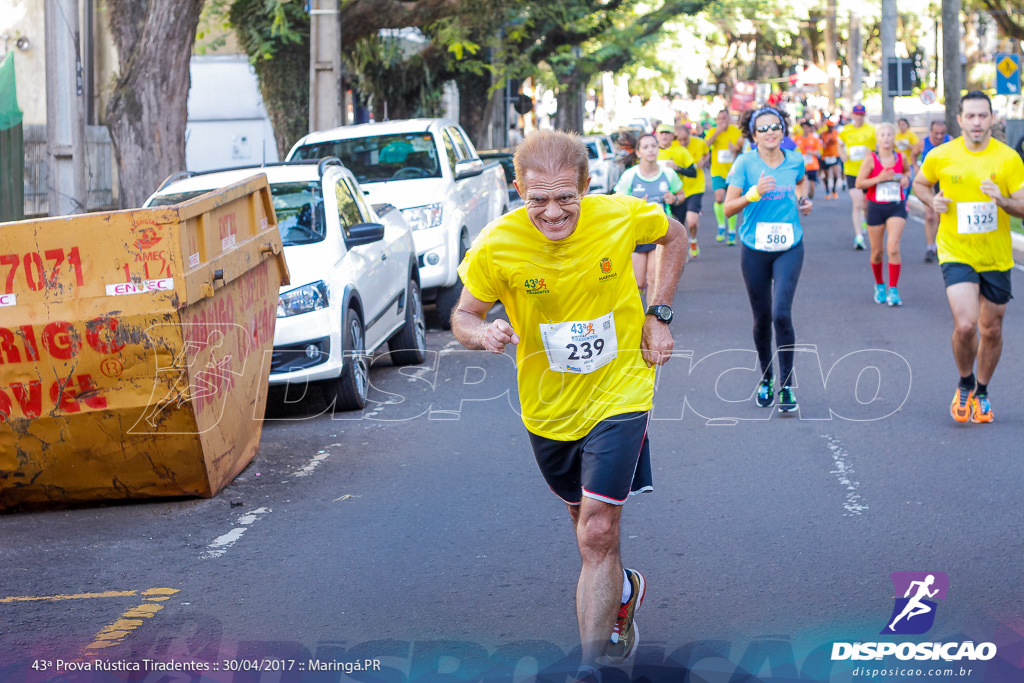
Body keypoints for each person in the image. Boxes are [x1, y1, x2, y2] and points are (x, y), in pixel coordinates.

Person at [451, 129, 686, 678]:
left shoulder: (620, 214)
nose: (552, 212)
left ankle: (590, 666)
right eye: (538, 200)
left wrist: (660, 312)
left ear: (586, 185)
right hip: (549, 407)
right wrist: (481, 333)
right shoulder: (496, 245)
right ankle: (623, 591)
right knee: (584, 524)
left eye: (565, 198)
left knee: (599, 530)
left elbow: (673, 238)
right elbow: (462, 315)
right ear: (518, 190)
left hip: (621, 387)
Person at [912, 90, 1024, 424]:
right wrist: (932, 201)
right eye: (970, 116)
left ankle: (983, 391)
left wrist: (1002, 201)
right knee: (965, 325)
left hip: (996, 256)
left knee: (991, 329)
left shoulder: (1007, 159)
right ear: (959, 120)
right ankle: (965, 381)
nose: (977, 122)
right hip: (956, 250)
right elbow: (919, 183)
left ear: (992, 119)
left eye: (982, 116)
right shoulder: (941, 155)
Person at [724, 106, 814, 413]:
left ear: (783, 130)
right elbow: (727, 208)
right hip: (754, 248)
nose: (770, 132)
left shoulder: (795, 160)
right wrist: (754, 193)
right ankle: (766, 378)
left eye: (775, 126)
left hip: (790, 245)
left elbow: (802, 182)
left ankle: (786, 385)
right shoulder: (745, 163)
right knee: (762, 317)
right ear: (753, 134)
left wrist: (803, 200)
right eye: (763, 128)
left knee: (781, 314)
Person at [617, 132, 685, 289]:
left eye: (654, 146)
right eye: (645, 147)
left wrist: (673, 199)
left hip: (661, 231)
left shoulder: (668, 174)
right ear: (638, 152)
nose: (650, 150)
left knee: (654, 279)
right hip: (637, 233)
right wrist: (635, 205)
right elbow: (618, 204)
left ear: (658, 149)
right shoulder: (630, 175)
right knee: (639, 282)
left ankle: (650, 314)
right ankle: (638, 311)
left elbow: (681, 195)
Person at [856, 122, 911, 307]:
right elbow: (859, 183)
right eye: (883, 135)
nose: (886, 138)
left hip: (896, 205)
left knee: (893, 248)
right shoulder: (871, 159)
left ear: (893, 137)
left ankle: (893, 289)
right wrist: (878, 178)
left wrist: (906, 179)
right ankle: (879, 284)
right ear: (878, 139)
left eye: (889, 134)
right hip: (876, 207)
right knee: (877, 252)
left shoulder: (901, 157)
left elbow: (907, 172)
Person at [654, 123, 698, 257]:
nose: (664, 136)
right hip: (658, 197)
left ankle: (682, 252)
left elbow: (693, 172)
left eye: (667, 133)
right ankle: (663, 255)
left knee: (679, 226)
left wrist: (677, 168)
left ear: (672, 136)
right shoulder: (652, 151)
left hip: (678, 195)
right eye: (661, 133)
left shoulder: (680, 151)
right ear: (657, 135)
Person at [838, 104, 876, 249]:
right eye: (856, 114)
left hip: (868, 172)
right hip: (852, 171)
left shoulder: (871, 130)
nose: (859, 117)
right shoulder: (846, 130)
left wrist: (871, 154)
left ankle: (864, 221)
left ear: (864, 115)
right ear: (852, 115)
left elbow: (879, 147)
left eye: (861, 114)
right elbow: (839, 144)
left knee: (866, 205)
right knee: (858, 203)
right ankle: (859, 237)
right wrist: (842, 155)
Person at [706, 109, 745, 244]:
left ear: (729, 119)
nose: (722, 121)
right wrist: (717, 132)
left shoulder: (736, 131)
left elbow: (741, 146)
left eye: (724, 118)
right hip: (717, 171)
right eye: (719, 119)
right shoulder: (712, 131)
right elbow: (706, 146)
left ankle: (732, 231)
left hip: (733, 171)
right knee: (719, 198)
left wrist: (735, 149)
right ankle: (721, 226)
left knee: (732, 200)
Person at [676, 121, 710, 259]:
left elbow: (707, 153)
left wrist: (704, 160)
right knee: (679, 223)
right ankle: (682, 249)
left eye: (685, 139)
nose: (683, 142)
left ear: (690, 135)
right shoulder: (673, 148)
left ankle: (693, 240)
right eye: (680, 140)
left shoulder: (699, 143)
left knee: (692, 221)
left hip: (696, 186)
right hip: (678, 189)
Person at [920, 120, 952, 262]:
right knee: (929, 216)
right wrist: (916, 168)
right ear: (930, 132)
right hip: (928, 182)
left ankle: (939, 246)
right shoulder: (922, 143)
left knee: (940, 216)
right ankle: (929, 246)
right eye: (936, 134)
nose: (939, 137)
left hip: (944, 181)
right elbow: (913, 155)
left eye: (942, 133)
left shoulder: (950, 142)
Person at [794, 121, 823, 200]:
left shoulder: (814, 138)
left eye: (807, 127)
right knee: (801, 182)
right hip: (801, 165)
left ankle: (810, 194)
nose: (805, 129)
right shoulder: (797, 138)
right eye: (804, 127)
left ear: (810, 128)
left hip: (812, 165)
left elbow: (819, 151)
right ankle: (803, 197)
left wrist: (812, 152)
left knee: (812, 187)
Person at [819, 119, 842, 199]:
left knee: (836, 173)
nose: (830, 128)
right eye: (829, 127)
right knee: (826, 176)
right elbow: (820, 145)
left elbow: (840, 143)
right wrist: (825, 144)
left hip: (834, 156)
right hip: (825, 156)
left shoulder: (837, 133)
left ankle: (834, 189)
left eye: (832, 127)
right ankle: (827, 190)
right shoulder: (823, 134)